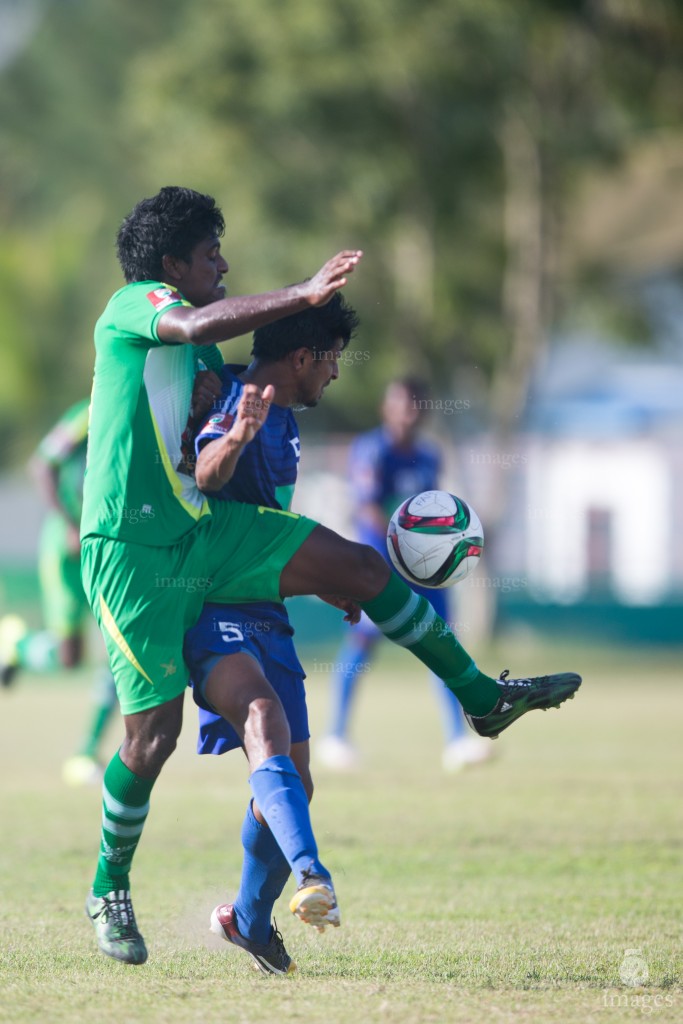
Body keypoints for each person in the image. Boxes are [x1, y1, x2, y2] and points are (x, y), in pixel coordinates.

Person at [81, 185, 580, 968]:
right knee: (152, 739)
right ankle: (109, 884)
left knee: (358, 565)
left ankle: (480, 698)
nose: (223, 262)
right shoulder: (134, 305)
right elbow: (193, 326)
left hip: (202, 533)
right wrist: (303, 293)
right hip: (131, 550)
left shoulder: (210, 355)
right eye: (211, 252)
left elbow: (199, 404)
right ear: (172, 263)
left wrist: (221, 397)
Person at [182, 294, 360, 975]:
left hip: (265, 606)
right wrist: (231, 435)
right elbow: (204, 475)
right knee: (260, 718)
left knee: (295, 781)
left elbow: (266, 526)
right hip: (209, 599)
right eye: (333, 361)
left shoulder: (282, 415)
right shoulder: (239, 396)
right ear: (301, 357)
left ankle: (246, 921)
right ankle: (313, 872)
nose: (336, 374)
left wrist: (320, 578)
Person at [317, 378, 494, 774]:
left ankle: (457, 740)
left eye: (416, 405)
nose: (409, 413)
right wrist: (405, 546)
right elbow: (366, 509)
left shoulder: (430, 456)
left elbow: (433, 510)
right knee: (363, 641)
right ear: (387, 408)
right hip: (378, 566)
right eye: (401, 404)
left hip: (424, 570)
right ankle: (336, 736)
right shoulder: (371, 451)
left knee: (442, 646)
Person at [0, 399, 118, 786]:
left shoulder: (152, 414)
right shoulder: (90, 411)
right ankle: (18, 647)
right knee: (70, 657)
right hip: (68, 551)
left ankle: (85, 753)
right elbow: (42, 464)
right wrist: (70, 525)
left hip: (113, 550)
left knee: (123, 651)